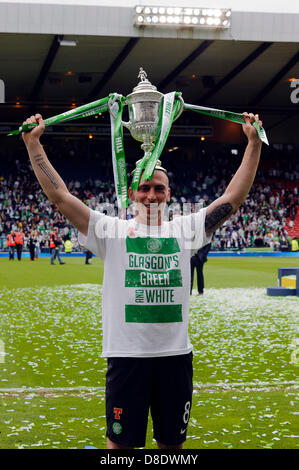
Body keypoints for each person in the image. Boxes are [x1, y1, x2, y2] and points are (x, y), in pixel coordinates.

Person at [21, 111, 263, 449]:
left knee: (172, 446)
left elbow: (232, 200)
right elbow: (60, 197)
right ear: (133, 194)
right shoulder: (111, 231)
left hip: (175, 358)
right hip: (126, 358)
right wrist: (34, 145)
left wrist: (253, 143)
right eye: (145, 188)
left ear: (169, 193)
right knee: (120, 447)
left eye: (159, 188)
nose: (152, 195)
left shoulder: (185, 230)